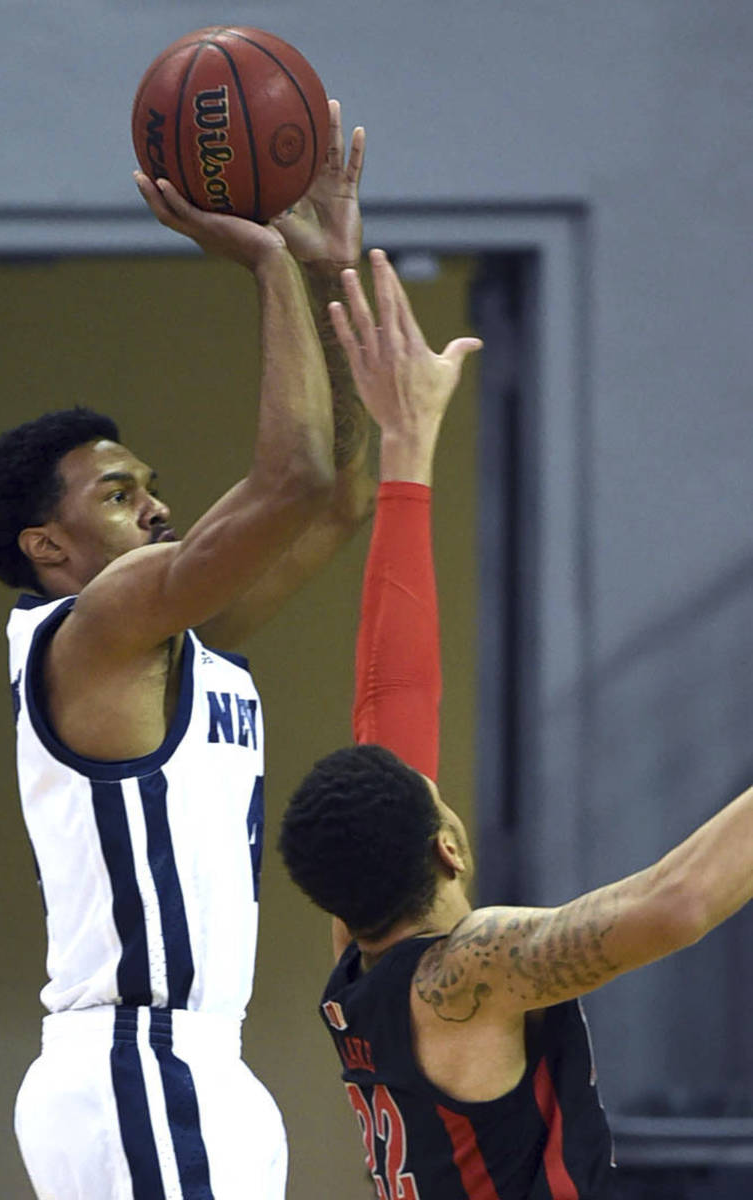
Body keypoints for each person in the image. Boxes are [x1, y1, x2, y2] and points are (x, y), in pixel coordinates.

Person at [0, 102, 372, 1200]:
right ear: (47, 546)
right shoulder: (94, 631)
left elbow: (337, 500)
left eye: (149, 486)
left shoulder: (162, 641)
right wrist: (264, 260)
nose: (157, 507)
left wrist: (329, 276)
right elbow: (290, 481)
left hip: (193, 1060)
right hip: (138, 1060)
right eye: (119, 493)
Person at [279, 249, 753, 1199]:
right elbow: (672, 902)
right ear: (447, 849)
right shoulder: (467, 977)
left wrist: (409, 443)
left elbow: (393, 706)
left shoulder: (359, 971)